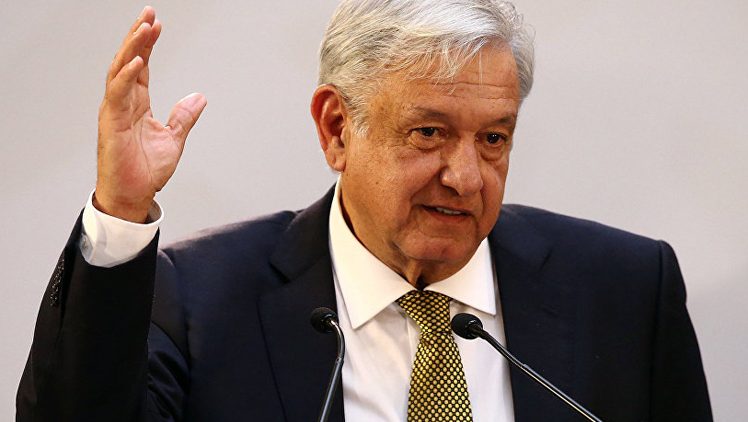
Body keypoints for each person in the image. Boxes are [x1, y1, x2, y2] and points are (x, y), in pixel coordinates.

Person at [17, 1, 712, 421]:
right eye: (429, 133)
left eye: (494, 138)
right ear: (337, 129)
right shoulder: (199, 298)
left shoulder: (626, 290)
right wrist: (122, 209)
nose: (466, 177)